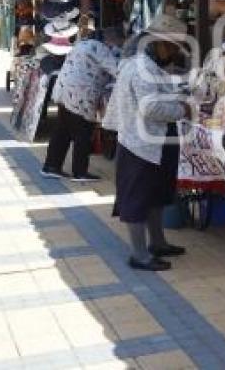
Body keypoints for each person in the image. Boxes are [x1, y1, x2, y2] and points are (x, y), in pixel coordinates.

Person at [102, 14, 190, 271]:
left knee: (156, 194)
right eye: (172, 46)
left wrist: (179, 96)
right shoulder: (141, 67)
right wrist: (183, 110)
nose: (174, 52)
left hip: (155, 141)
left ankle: (158, 242)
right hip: (139, 144)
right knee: (138, 198)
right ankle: (139, 254)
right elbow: (150, 108)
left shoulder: (151, 65)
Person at [41, 26, 123, 181]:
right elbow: (118, 70)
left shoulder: (82, 44)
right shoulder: (102, 49)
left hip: (64, 90)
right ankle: (80, 172)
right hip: (80, 95)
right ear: (110, 40)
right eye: (117, 43)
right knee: (83, 132)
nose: (117, 46)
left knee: (62, 130)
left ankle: (51, 166)